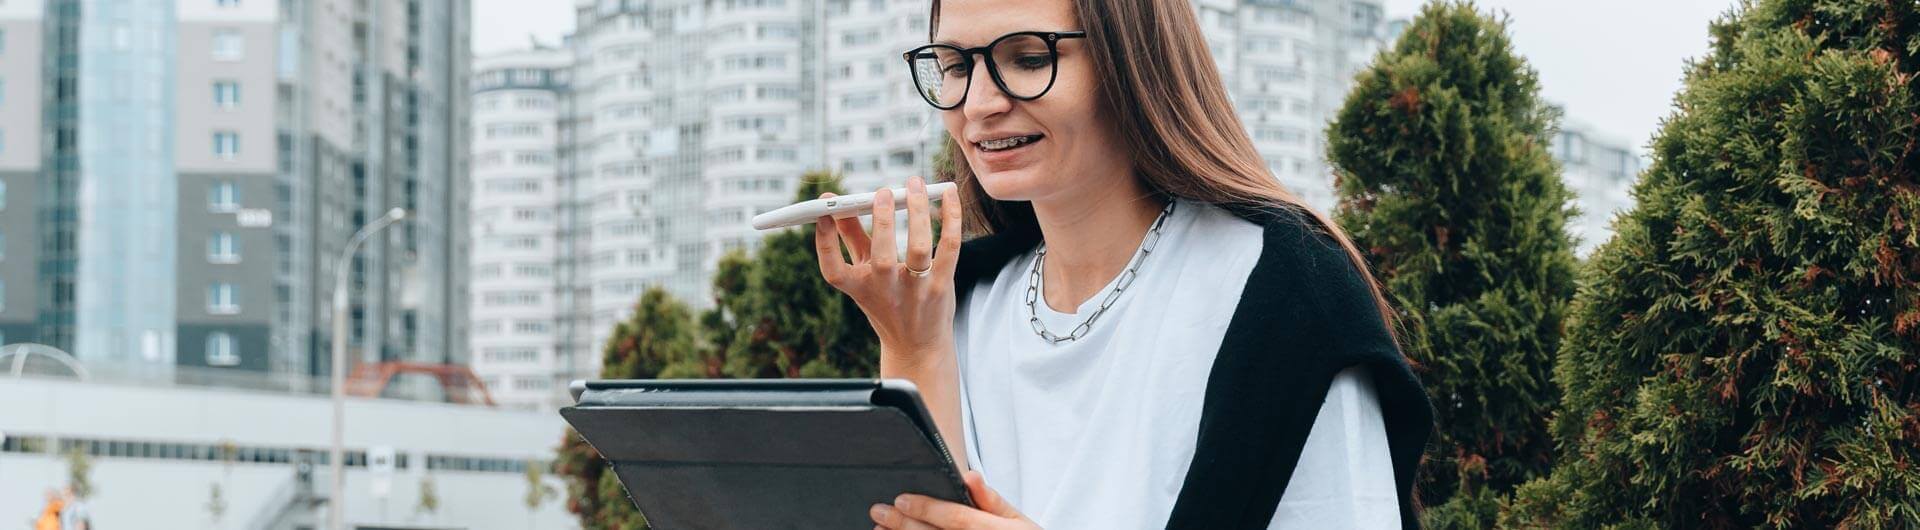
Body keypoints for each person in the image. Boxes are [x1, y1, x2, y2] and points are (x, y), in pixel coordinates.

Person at [812, 0, 1435, 528]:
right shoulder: (960, 303)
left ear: (1132, 61)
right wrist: (913, 348)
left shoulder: (1284, 293)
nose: (977, 104)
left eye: (1028, 59)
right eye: (953, 65)